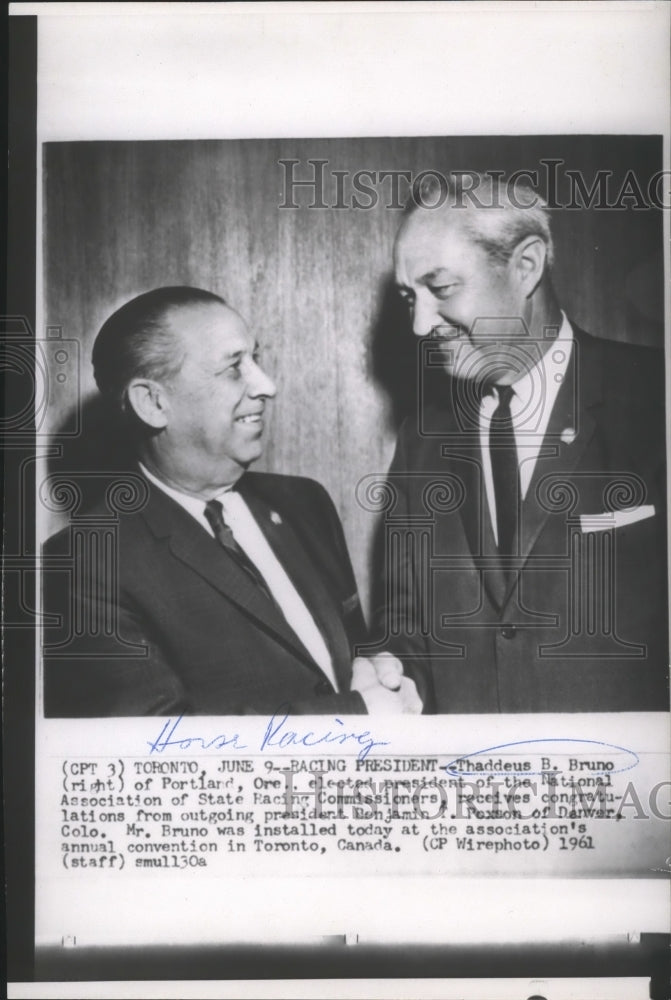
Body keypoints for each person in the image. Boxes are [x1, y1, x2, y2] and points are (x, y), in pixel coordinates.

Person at [42, 286, 420, 717]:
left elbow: (347, 655)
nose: (267, 385)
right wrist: (354, 717)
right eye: (233, 368)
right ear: (153, 402)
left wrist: (378, 668)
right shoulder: (83, 565)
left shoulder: (304, 503)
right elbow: (156, 752)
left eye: (256, 358)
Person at [371, 172, 668, 712]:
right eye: (408, 296)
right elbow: (405, 627)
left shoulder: (656, 399)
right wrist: (392, 677)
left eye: (440, 289)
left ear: (525, 266)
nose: (419, 325)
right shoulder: (423, 440)